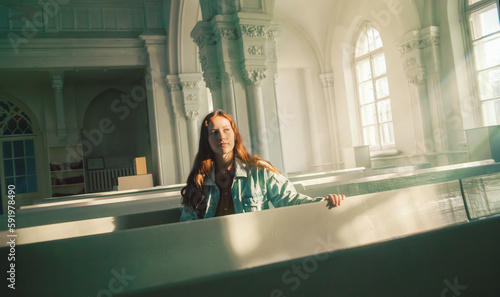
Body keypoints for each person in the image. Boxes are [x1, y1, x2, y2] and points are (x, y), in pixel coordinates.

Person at [180, 110, 345, 221]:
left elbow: (290, 200)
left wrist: (323, 202)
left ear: (234, 134)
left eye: (226, 130)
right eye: (213, 132)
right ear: (206, 140)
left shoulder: (259, 171)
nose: (221, 137)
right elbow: (187, 224)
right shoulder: (200, 180)